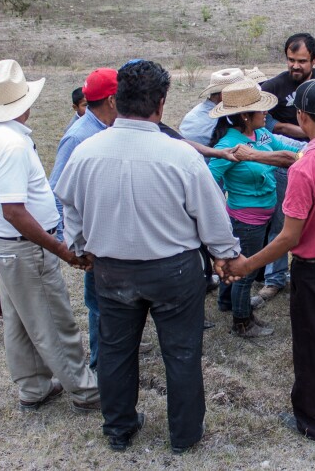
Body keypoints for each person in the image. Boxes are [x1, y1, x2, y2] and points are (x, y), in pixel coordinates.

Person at [54, 60, 243, 454]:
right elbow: (211, 215)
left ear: (117, 100)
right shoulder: (179, 156)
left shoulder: (87, 152)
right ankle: (185, 434)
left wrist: (79, 245)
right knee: (182, 351)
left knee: (115, 350)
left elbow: (69, 205)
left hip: (111, 272)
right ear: (161, 103)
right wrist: (225, 255)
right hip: (173, 273)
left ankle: (119, 428)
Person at [219, 79, 315, 444]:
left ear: (301, 116)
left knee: (313, 345)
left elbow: (289, 237)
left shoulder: (306, 168)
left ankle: (314, 421)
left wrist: (246, 265)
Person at [0, 59, 99, 413]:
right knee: (53, 322)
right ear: (23, 103)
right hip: (24, 247)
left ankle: (34, 386)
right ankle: (86, 391)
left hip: (4, 244)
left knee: (19, 319)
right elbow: (14, 210)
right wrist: (60, 249)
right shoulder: (11, 145)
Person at [207, 80, 302, 337]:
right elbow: (208, 180)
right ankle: (242, 321)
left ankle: (228, 303)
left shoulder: (261, 135)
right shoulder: (229, 147)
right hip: (247, 220)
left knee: (241, 264)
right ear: (246, 116)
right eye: (261, 111)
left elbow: (286, 151)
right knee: (246, 271)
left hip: (260, 215)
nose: (266, 114)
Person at [257, 34, 315, 308]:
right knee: (282, 220)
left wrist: (291, 127)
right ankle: (275, 278)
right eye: (291, 60)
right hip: (287, 162)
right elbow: (266, 124)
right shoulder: (273, 86)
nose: (295, 66)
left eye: (301, 61)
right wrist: (302, 131)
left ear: (314, 59)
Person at [48, 68, 119, 371]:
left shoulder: (110, 129)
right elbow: (57, 193)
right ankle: (99, 367)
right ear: (114, 100)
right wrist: (72, 246)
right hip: (93, 239)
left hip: (113, 232)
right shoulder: (78, 137)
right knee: (100, 307)